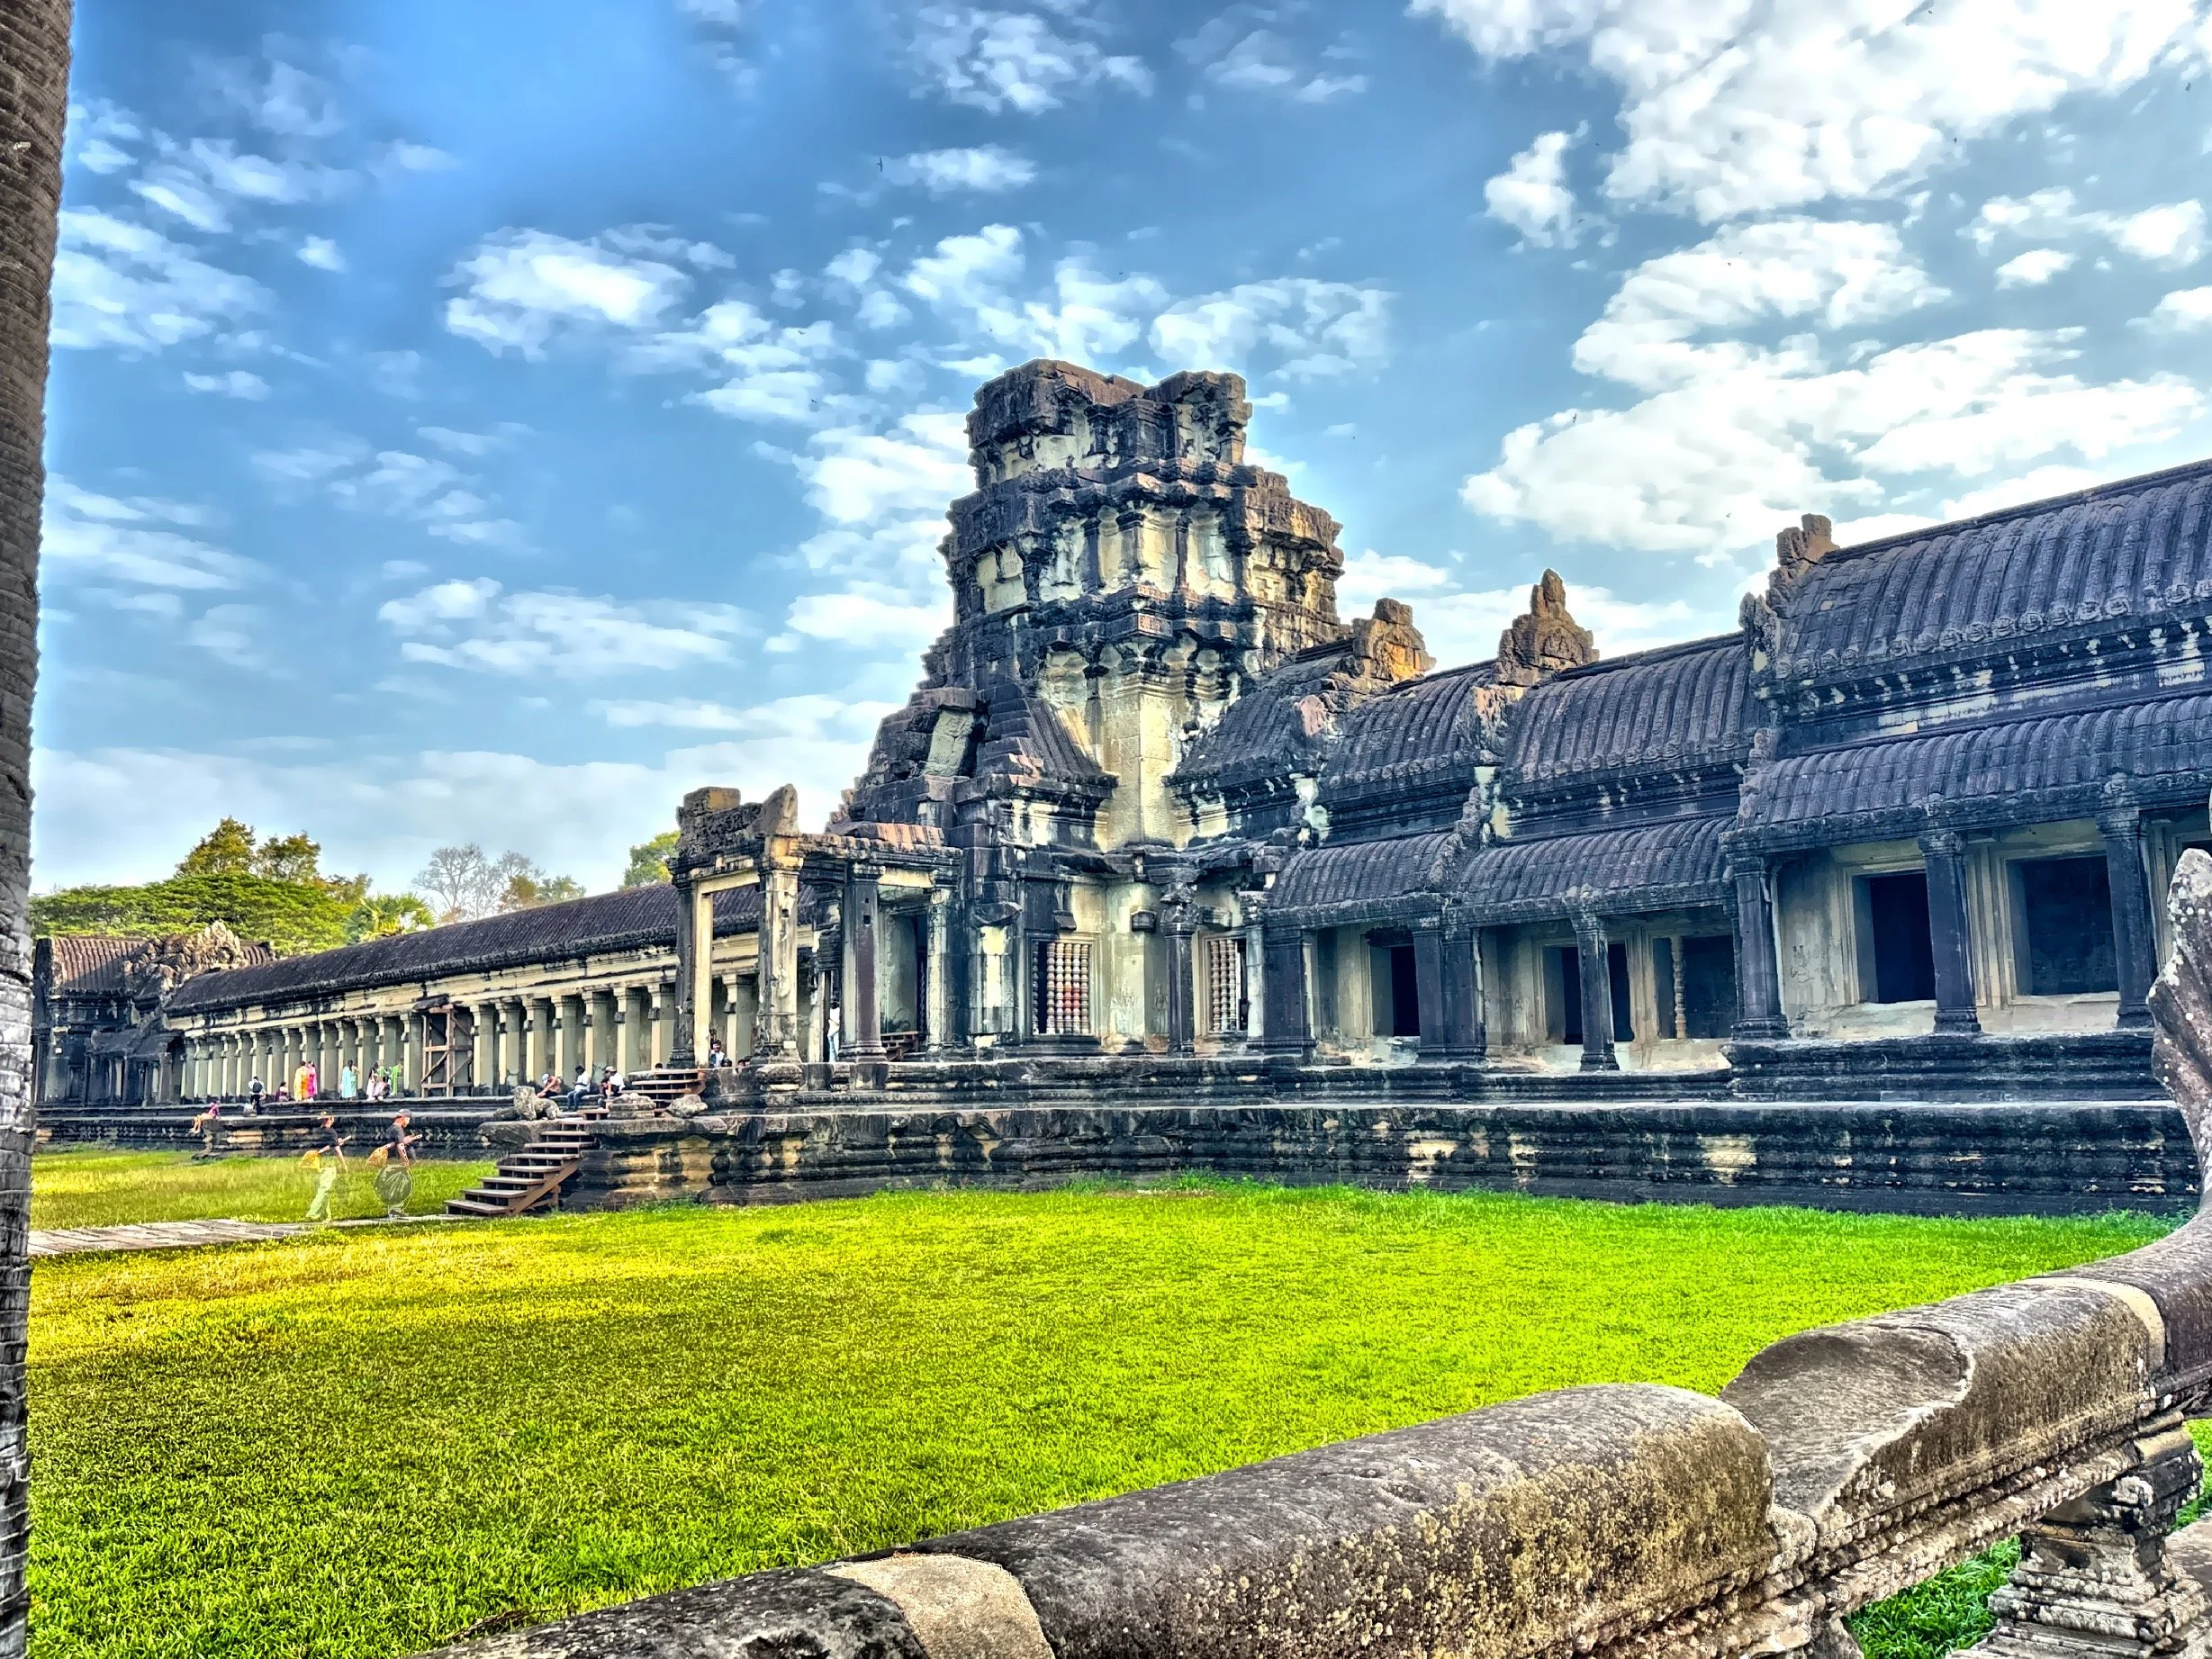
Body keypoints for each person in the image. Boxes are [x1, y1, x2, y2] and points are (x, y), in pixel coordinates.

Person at [371, 1112, 420, 1218]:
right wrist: (406, 1160)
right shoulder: (399, 1130)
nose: (409, 1122)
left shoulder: (390, 1129)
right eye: (408, 1119)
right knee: (401, 1184)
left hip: (390, 1161)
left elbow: (394, 1143)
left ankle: (393, 1209)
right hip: (398, 1162)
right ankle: (396, 1210)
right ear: (403, 1118)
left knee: (392, 1185)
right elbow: (400, 1146)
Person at [304, 1114, 347, 1223]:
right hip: (329, 1164)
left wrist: (336, 1142)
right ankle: (313, 1213)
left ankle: (326, 1215)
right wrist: (343, 1164)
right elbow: (336, 1150)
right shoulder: (331, 1132)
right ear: (331, 1119)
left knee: (326, 1189)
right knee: (324, 1189)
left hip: (319, 1164)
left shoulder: (320, 1132)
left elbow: (329, 1145)